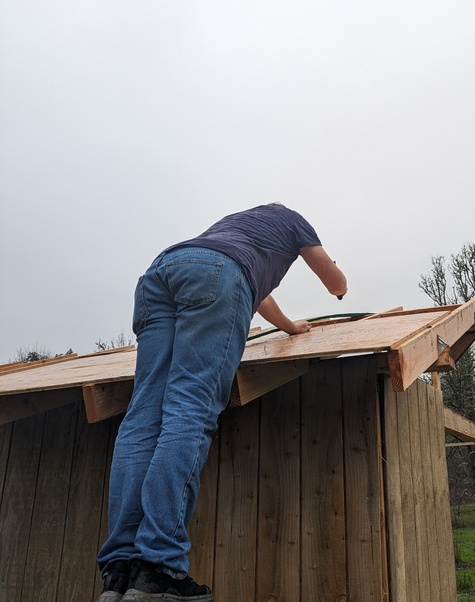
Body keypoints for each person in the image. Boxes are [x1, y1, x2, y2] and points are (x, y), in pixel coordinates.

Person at [95, 203, 347, 602]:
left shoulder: (233, 227)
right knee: (189, 409)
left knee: (142, 419)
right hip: (216, 276)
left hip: (162, 272)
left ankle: (119, 572)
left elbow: (251, 292)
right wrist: (340, 284)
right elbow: (331, 280)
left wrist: (290, 326)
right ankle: (157, 568)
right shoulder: (293, 220)